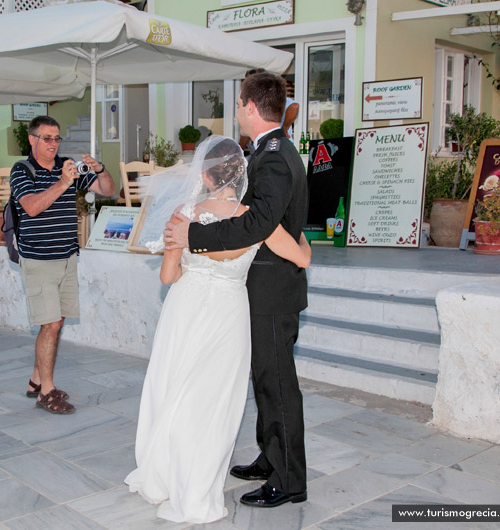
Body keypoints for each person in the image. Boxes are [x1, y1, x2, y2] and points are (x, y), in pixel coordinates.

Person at [125, 136, 310, 524]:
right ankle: (197, 485)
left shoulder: (183, 213)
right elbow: (302, 258)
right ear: (241, 175)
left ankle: (164, 476)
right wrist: (294, 225)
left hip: (185, 310)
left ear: (205, 177)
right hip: (228, 315)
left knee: (175, 391)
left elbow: (168, 274)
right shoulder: (254, 220)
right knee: (214, 402)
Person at [163, 72, 310, 508]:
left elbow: (260, 223)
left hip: (272, 289)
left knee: (277, 384)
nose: (238, 113)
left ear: (249, 106)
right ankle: (271, 456)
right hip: (260, 285)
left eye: (238, 105)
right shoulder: (268, 151)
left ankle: (289, 479)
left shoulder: (276, 156)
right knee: (264, 379)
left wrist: (194, 238)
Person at [9, 115, 115, 414]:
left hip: (67, 256)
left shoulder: (65, 165)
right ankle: (46, 391)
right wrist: (63, 182)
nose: (53, 144)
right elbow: (31, 207)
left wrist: (100, 169)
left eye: (57, 138)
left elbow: (108, 190)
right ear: (33, 140)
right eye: (47, 138)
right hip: (39, 258)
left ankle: (35, 380)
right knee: (51, 323)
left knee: (55, 322)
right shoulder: (22, 170)